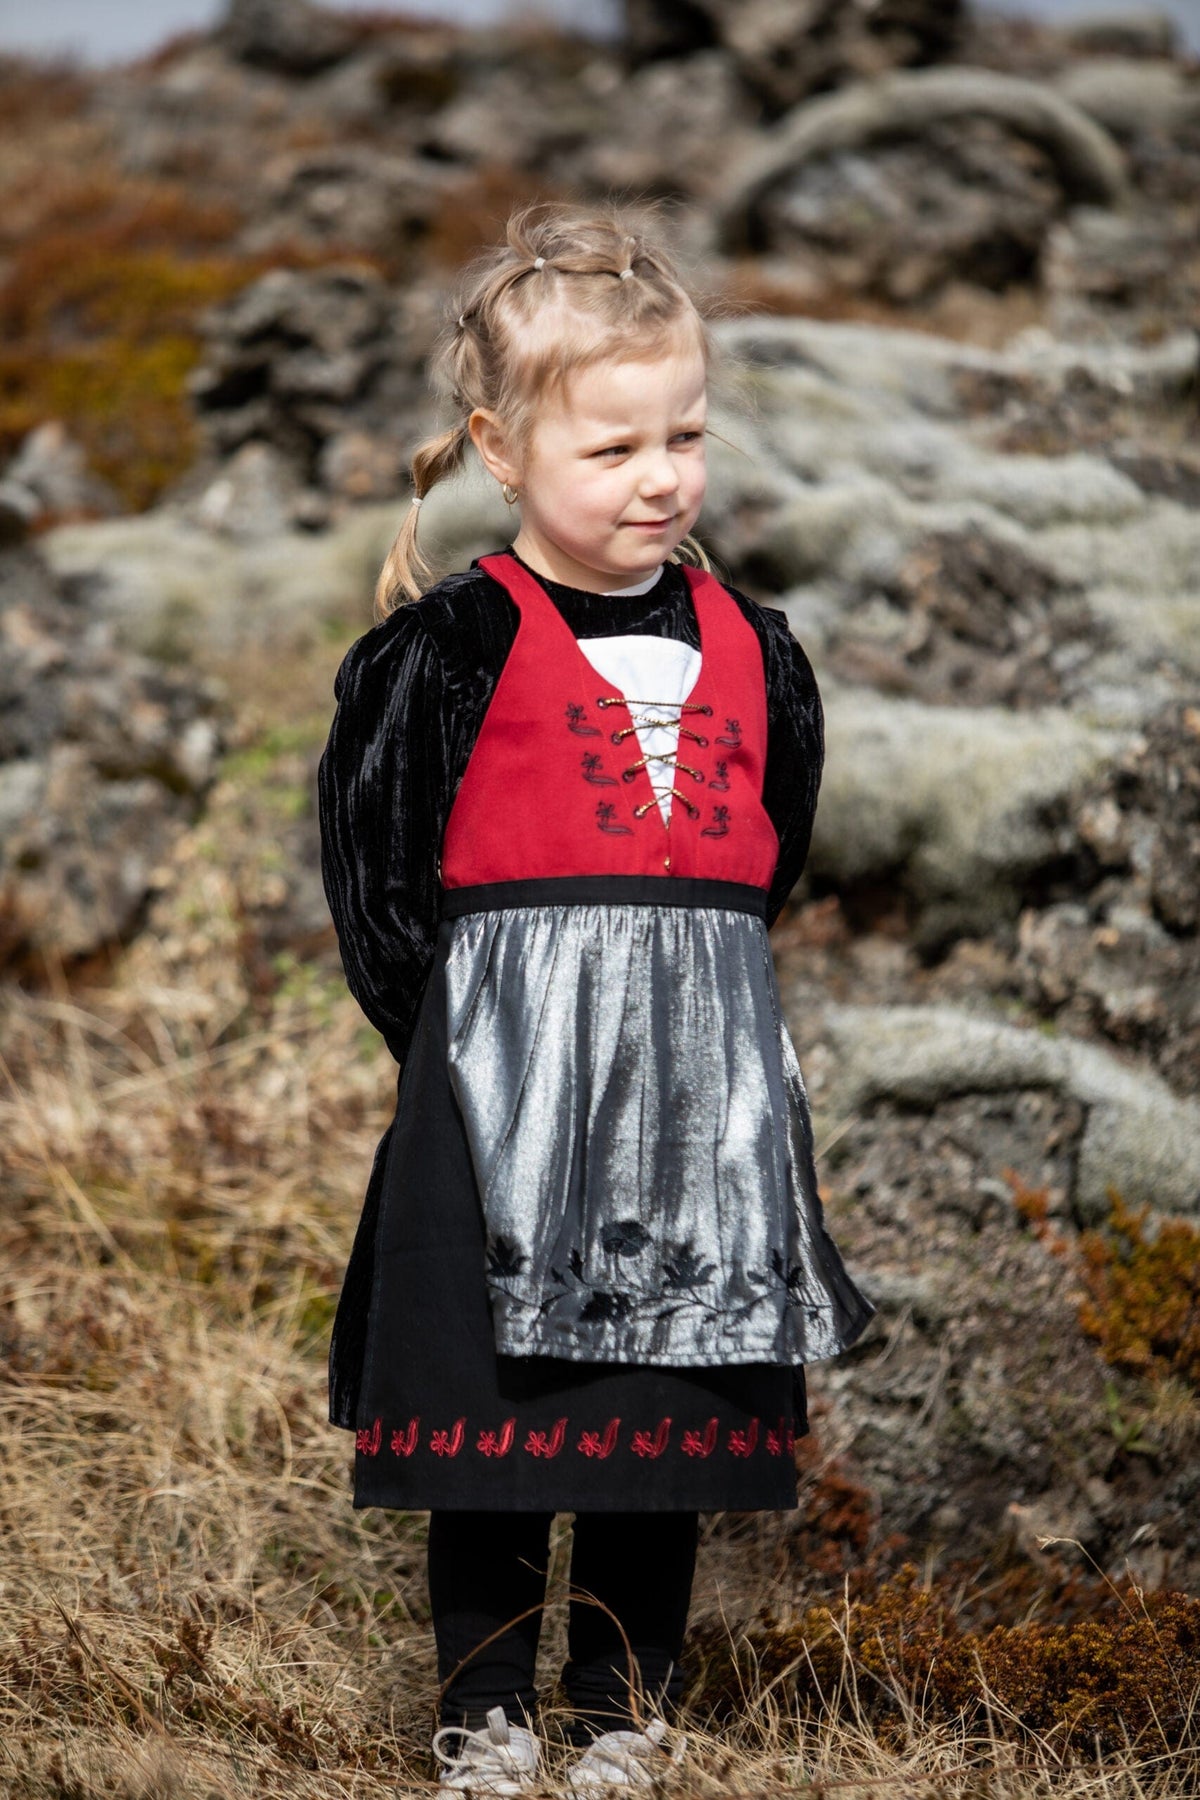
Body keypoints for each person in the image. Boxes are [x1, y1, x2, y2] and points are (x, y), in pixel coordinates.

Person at [317, 203, 874, 1796]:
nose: (661, 478)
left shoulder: (759, 650)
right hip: (499, 1096)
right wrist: (476, 1057)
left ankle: (623, 1713)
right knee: (499, 1423)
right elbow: (381, 892)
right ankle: (485, 1713)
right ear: (501, 446)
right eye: (614, 446)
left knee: (659, 1421)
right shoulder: (444, 651)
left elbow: (766, 867)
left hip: (695, 1092)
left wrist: (669, 1008)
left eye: (686, 435)